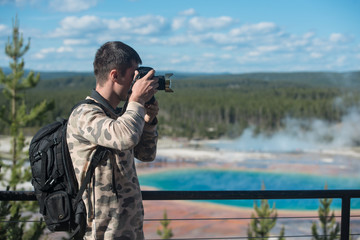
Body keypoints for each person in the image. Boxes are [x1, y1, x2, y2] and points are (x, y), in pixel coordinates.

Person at [66, 41, 159, 240]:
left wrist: (149, 121)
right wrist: (136, 101)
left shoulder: (118, 116)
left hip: (129, 229)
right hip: (101, 233)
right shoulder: (85, 114)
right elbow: (124, 137)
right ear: (115, 75)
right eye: (134, 76)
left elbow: (146, 155)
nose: (137, 83)